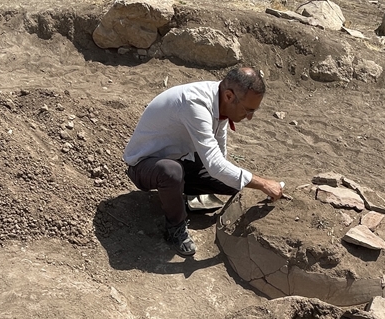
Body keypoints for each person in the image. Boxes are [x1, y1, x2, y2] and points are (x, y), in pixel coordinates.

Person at [122, 67, 285, 256]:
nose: (250, 117)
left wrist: (242, 181)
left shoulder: (222, 103)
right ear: (230, 96)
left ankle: (185, 194)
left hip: (183, 158)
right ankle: (175, 227)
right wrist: (264, 183)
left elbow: (219, 155)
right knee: (171, 173)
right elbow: (215, 165)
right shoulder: (195, 103)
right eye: (248, 110)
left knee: (235, 185)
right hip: (145, 165)